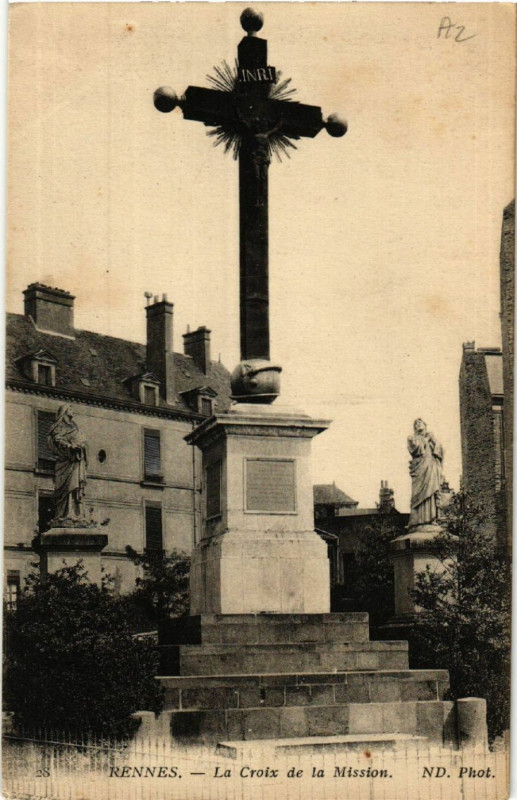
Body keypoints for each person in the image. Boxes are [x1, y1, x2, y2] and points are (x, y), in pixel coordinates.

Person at [48, 404, 88, 520]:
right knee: (66, 488)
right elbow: (57, 440)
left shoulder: (74, 426)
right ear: (64, 411)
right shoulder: (59, 426)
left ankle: (75, 513)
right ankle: (65, 513)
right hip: (65, 461)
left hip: (76, 460)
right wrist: (70, 446)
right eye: (70, 408)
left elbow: (81, 439)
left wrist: (82, 446)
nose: (73, 410)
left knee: (75, 487)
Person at [407, 418, 444, 528]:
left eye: (420, 423)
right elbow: (416, 449)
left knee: (431, 491)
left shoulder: (431, 439)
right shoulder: (411, 438)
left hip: (431, 468)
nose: (418, 425)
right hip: (420, 470)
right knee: (418, 495)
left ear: (425, 426)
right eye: (416, 424)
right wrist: (426, 440)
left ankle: (432, 518)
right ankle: (417, 520)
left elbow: (440, 452)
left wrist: (433, 441)